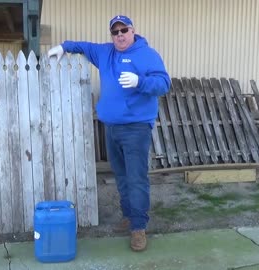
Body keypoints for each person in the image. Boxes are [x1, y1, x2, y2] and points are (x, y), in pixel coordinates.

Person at [48, 15, 170, 252]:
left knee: (136, 178)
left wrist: (140, 81)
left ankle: (138, 228)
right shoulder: (105, 53)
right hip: (111, 128)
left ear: (133, 31)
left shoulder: (147, 55)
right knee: (122, 176)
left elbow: (164, 83)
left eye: (124, 30)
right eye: (115, 32)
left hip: (136, 129)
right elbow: (84, 46)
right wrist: (64, 47)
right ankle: (128, 216)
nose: (120, 35)